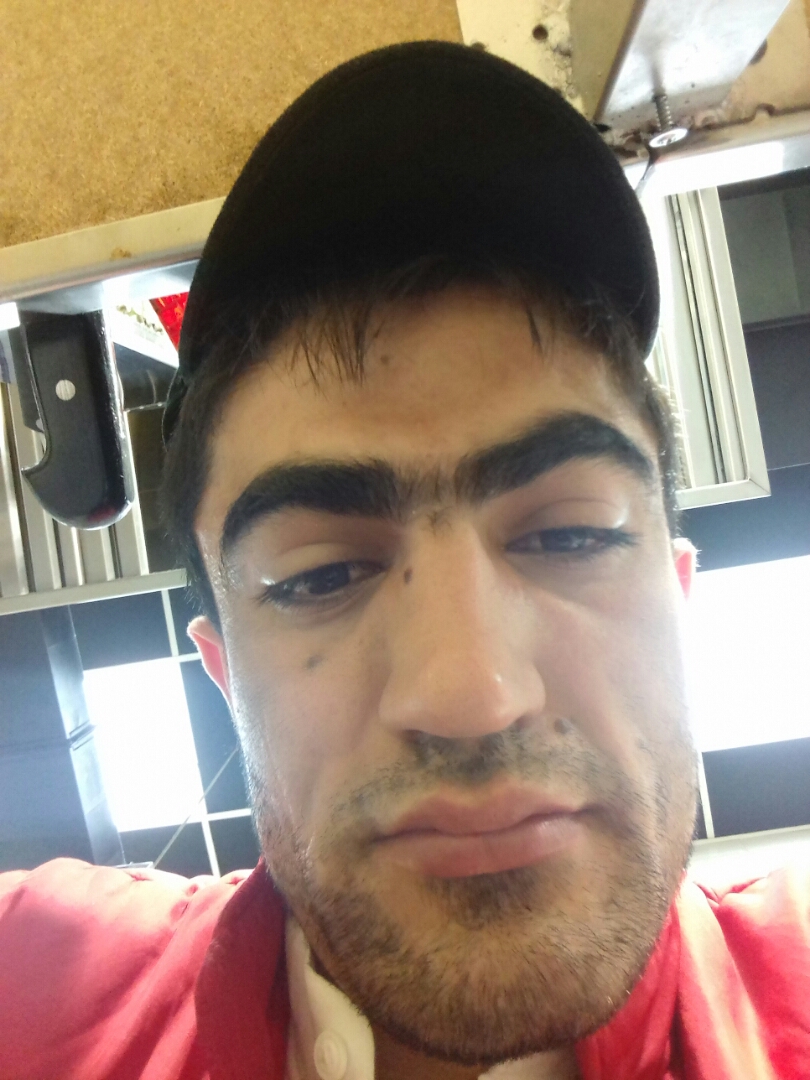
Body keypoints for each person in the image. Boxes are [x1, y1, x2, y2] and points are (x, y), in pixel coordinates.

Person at [1, 40, 808, 1080]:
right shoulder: (35, 991)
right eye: (319, 576)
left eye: (571, 535)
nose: (472, 695)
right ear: (225, 676)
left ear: (680, 605)